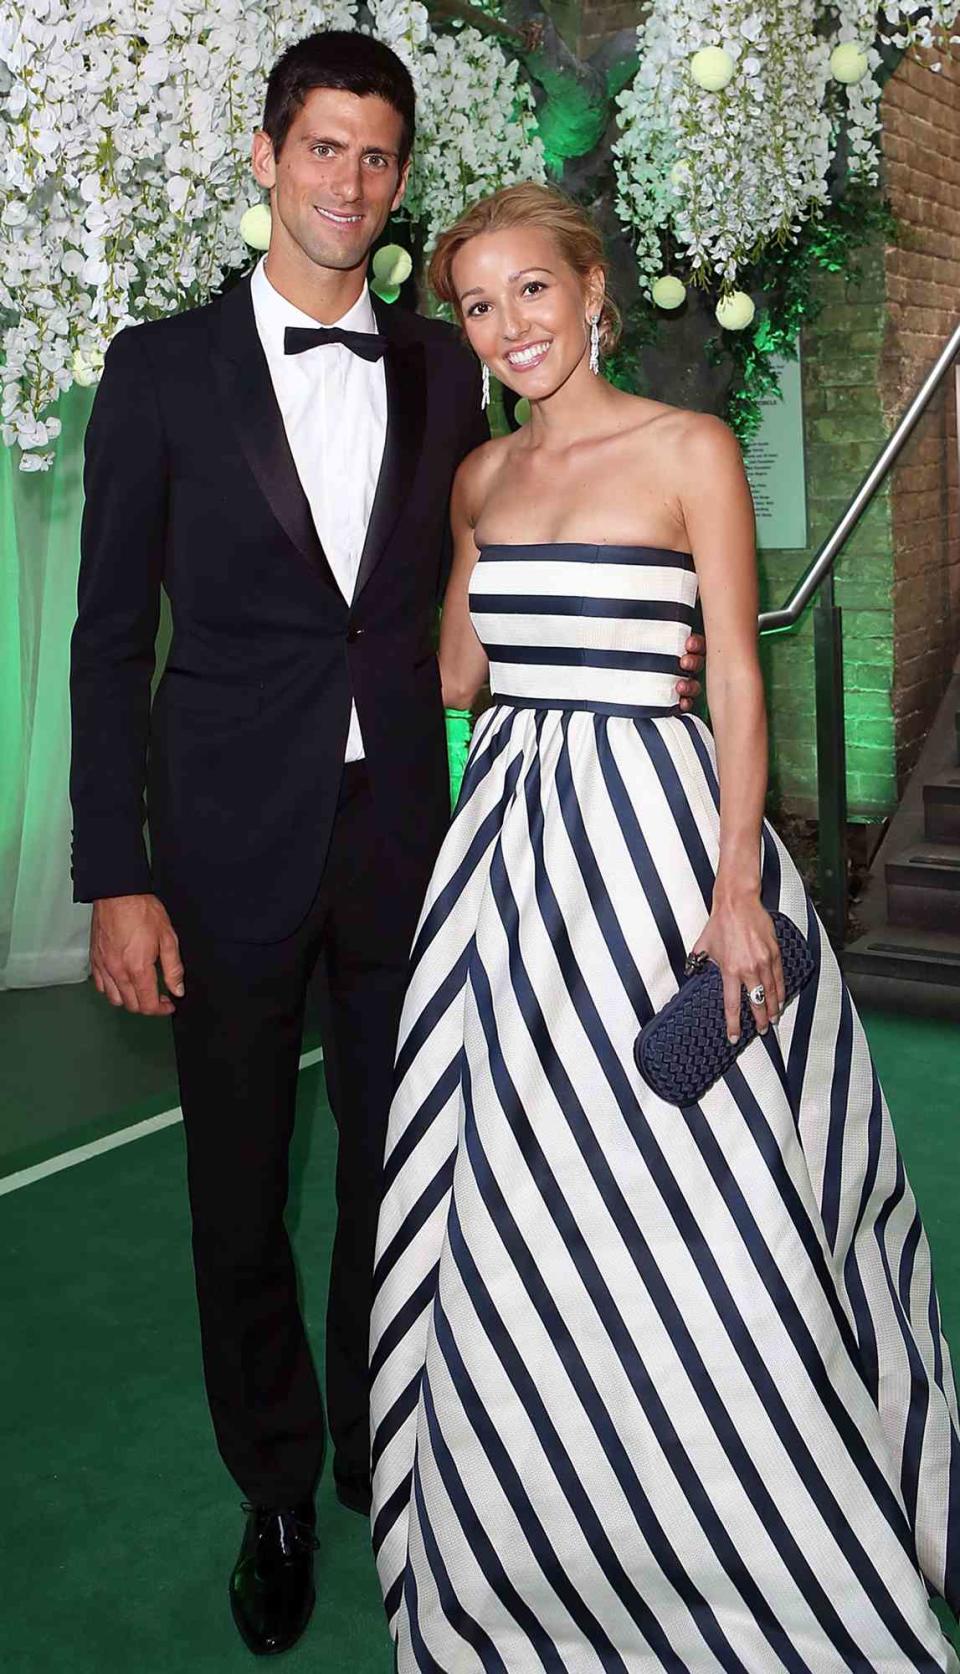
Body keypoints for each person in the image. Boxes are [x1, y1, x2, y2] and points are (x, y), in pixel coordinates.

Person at [68, 30, 707, 1658]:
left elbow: (541, 515)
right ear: (269, 155)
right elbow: (101, 640)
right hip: (216, 845)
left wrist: (649, 634)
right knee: (234, 1187)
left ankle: (377, 1430)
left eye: (377, 157)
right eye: (323, 148)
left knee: (397, 1158)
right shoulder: (155, 368)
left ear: (399, 180)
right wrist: (115, 872)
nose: (348, 182)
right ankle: (274, 1483)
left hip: (414, 838)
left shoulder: (442, 363)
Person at [369, 182, 960, 1671]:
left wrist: (740, 886)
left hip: (659, 838)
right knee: (509, 1191)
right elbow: (457, 678)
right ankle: (541, 1522)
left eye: (532, 292)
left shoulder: (689, 450)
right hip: (510, 853)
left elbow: (740, 681)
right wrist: (462, 548)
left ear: (594, 292)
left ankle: (748, 1504)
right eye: (480, 307)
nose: (509, 327)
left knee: (710, 1185)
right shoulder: (481, 483)